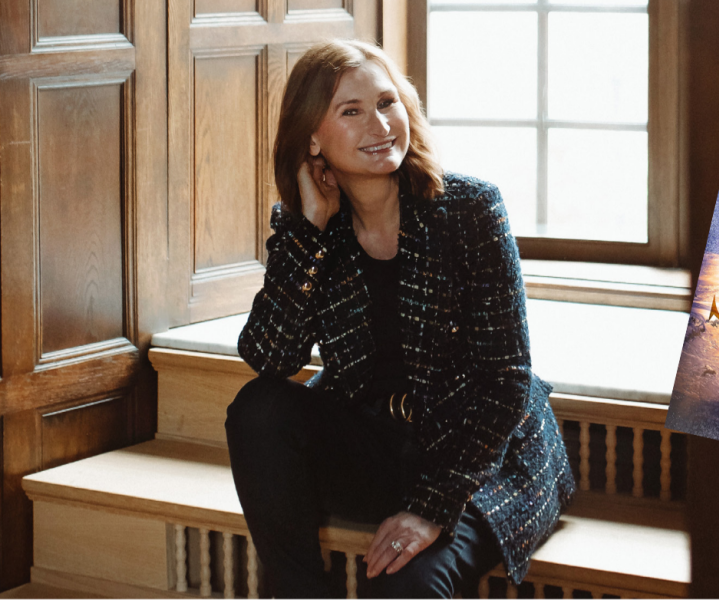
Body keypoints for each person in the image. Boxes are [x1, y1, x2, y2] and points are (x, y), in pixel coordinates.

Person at [225, 39, 575, 599]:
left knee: (403, 587)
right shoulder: (310, 228)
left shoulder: (469, 208)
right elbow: (270, 357)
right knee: (257, 409)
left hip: (480, 461)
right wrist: (309, 232)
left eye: (387, 103)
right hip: (376, 446)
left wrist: (431, 509)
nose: (381, 125)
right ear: (312, 138)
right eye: (352, 111)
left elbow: (506, 380)